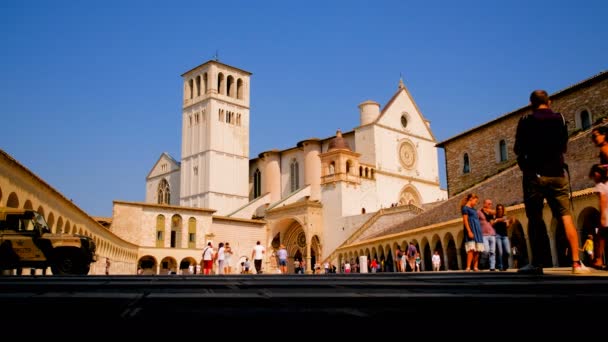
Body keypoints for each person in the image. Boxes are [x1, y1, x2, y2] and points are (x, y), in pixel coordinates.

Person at [514, 89, 589, 274]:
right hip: (557, 174)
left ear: (531, 104)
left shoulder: (525, 121)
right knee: (565, 216)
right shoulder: (560, 119)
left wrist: (526, 165)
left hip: (534, 176)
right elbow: (563, 146)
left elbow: (517, 149)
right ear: (550, 101)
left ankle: (536, 264)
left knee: (535, 219)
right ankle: (576, 264)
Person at [588, 164, 608, 269]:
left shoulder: (600, 185)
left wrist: (602, 217)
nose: (594, 178)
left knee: (600, 238)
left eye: (594, 176)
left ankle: (599, 260)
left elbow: (603, 200)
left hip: (606, 216)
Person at [461, 193, 483, 272]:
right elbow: (465, 220)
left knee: (477, 249)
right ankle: (468, 267)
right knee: (471, 249)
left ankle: (475, 266)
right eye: (475, 201)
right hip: (471, 229)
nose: (476, 203)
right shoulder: (465, 208)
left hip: (477, 230)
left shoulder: (474, 210)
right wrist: (469, 231)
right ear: (471, 199)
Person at [478, 198, 497, 271]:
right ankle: (482, 262)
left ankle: (492, 267)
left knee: (493, 251)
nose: (490, 205)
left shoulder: (491, 213)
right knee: (486, 251)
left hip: (492, 233)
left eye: (491, 204)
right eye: (489, 204)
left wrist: (495, 220)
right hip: (484, 234)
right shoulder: (479, 212)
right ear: (484, 204)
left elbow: (492, 222)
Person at [493, 204, 512, 271]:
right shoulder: (494, 217)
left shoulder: (505, 217)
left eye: (501, 209)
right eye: (498, 209)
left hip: (505, 236)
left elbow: (507, 226)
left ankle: (505, 265)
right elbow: (493, 224)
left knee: (508, 251)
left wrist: (509, 223)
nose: (499, 210)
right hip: (497, 236)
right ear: (497, 210)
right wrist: (497, 220)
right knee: (500, 252)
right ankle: (500, 266)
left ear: (503, 209)